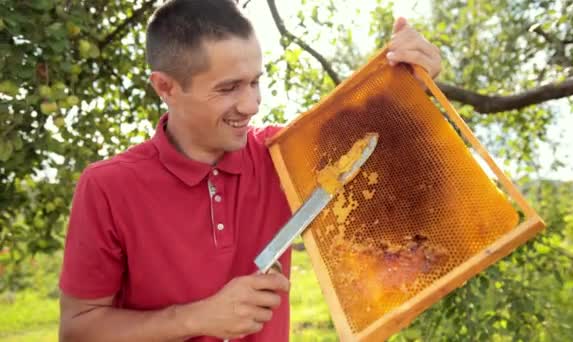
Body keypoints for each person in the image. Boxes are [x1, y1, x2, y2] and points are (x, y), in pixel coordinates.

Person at [58, 0, 442, 341]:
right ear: (166, 87)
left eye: (256, 82)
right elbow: (78, 328)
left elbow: (372, 140)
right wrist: (194, 318)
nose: (252, 104)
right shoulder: (107, 186)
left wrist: (408, 82)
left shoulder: (283, 154)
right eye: (229, 88)